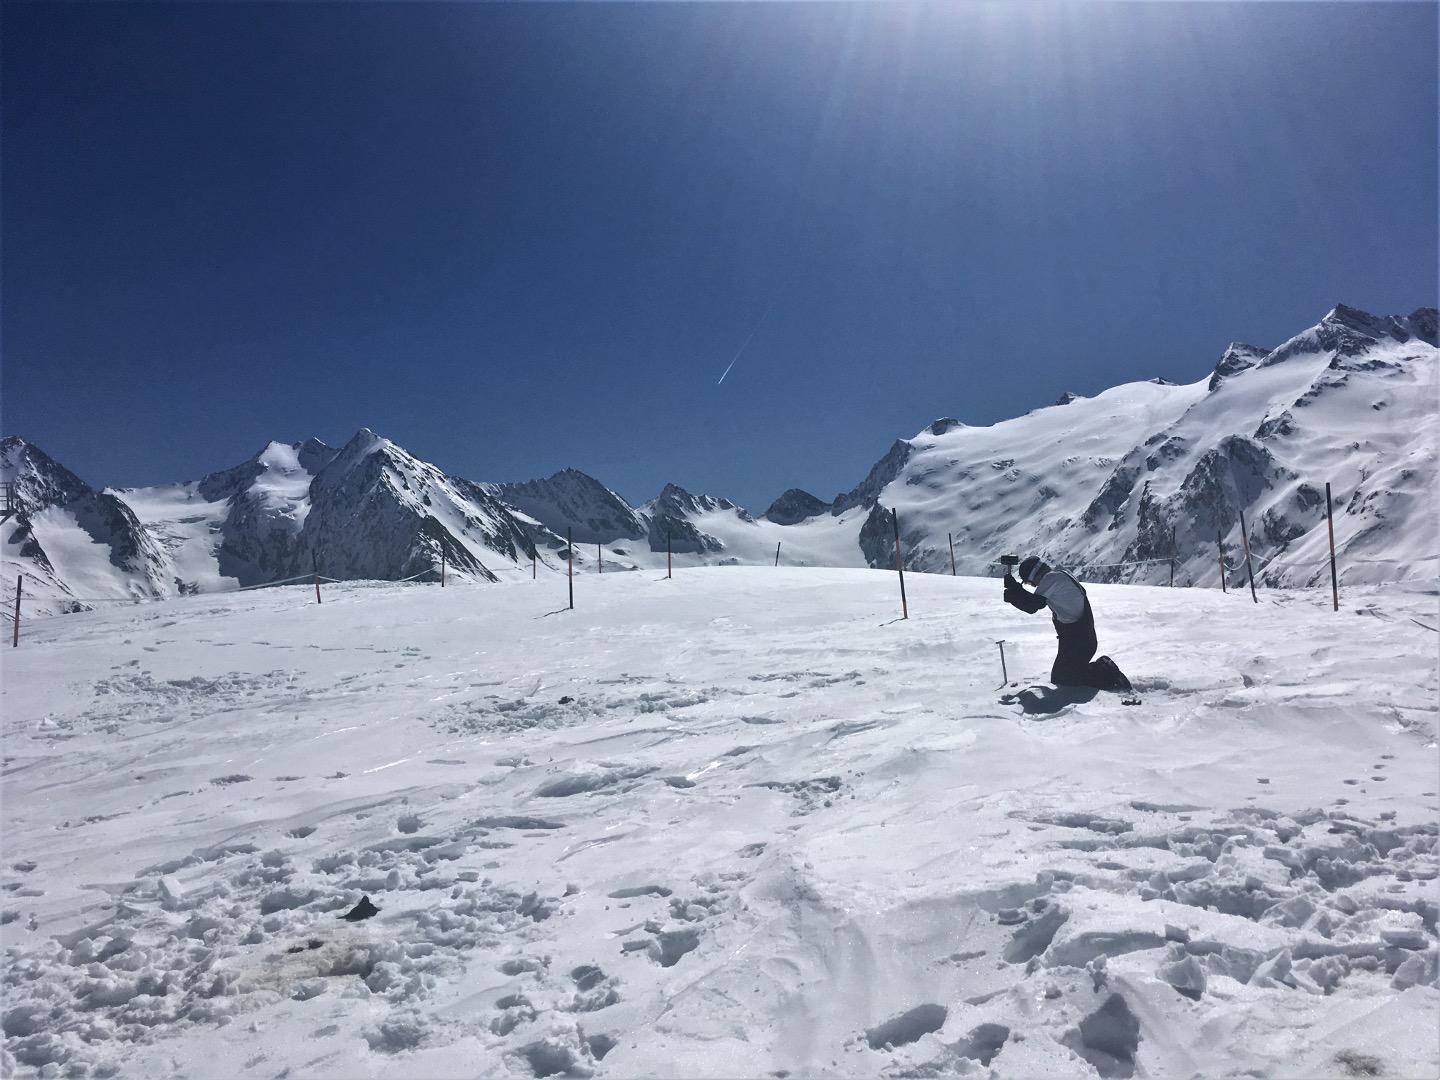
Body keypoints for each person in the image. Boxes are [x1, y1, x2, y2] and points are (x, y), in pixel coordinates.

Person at [1003, 556, 1132, 692]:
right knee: (1061, 677)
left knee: (1065, 680)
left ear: (1035, 574)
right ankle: (1097, 669)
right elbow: (1033, 601)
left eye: (1030, 582)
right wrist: (1015, 591)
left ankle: (1105, 670)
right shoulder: (1059, 574)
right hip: (1077, 639)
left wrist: (1014, 591)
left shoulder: (1050, 579)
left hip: (1080, 641)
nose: (1034, 586)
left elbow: (1033, 605)